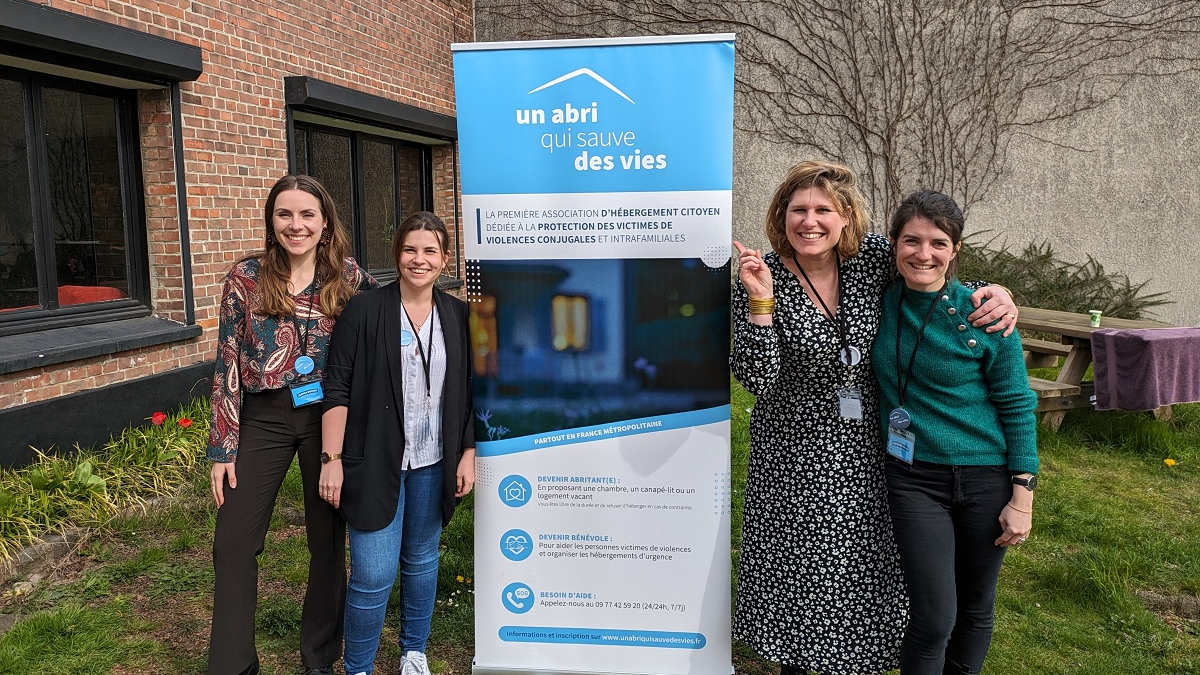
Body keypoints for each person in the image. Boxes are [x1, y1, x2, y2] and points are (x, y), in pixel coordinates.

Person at [730, 160, 1019, 675]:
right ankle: (800, 664)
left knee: (864, 571)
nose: (810, 221)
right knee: (804, 574)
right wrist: (759, 302)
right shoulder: (762, 276)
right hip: (796, 453)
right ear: (782, 215)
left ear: (846, 218)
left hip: (871, 447)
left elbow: (930, 266)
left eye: (824, 209)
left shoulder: (870, 261)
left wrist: (994, 291)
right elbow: (757, 378)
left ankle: (859, 661)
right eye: (799, 209)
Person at [207, 175, 377, 675]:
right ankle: (233, 664)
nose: (296, 225)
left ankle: (319, 658)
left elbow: (383, 335)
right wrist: (223, 448)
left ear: (325, 222)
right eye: (285, 214)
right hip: (263, 416)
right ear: (271, 220)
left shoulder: (351, 279)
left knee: (326, 542)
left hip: (329, 419)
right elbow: (227, 363)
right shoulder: (246, 277)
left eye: (307, 215)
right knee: (232, 541)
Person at [872, 190, 1037, 675]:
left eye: (938, 243)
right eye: (911, 241)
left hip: (986, 478)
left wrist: (1022, 494)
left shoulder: (985, 314)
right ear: (894, 245)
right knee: (933, 617)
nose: (924, 253)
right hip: (914, 478)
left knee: (975, 608)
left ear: (956, 250)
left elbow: (1017, 404)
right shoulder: (878, 301)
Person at [319, 211, 476, 675]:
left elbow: (471, 390)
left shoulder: (459, 315)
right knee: (372, 575)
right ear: (397, 255)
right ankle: (359, 667)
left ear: (445, 260)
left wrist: (468, 451)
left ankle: (414, 652)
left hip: (434, 461)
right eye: (410, 249)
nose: (419, 259)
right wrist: (332, 459)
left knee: (423, 561)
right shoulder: (364, 311)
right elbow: (337, 388)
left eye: (430, 251)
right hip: (373, 461)